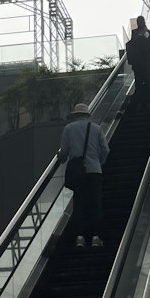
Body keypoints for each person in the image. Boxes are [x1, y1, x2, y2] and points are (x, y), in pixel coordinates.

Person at [58, 101, 109, 249]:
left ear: (75, 115)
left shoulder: (69, 129)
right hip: (94, 171)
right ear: (87, 115)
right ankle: (96, 237)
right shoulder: (97, 129)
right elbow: (105, 150)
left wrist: (60, 157)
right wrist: (98, 162)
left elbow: (65, 151)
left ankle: (80, 237)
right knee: (96, 204)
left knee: (79, 204)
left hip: (78, 173)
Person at [126, 16, 150, 103]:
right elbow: (132, 44)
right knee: (139, 81)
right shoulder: (135, 33)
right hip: (138, 62)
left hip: (147, 61)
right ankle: (141, 99)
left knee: (149, 80)